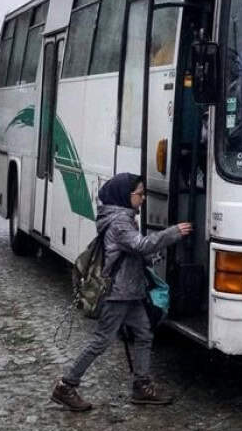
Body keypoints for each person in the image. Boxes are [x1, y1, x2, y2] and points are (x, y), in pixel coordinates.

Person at [51, 173, 192, 411]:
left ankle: (142, 386)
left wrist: (151, 256)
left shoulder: (124, 219)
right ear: (126, 196)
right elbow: (140, 245)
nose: (143, 198)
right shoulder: (119, 222)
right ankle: (66, 385)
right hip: (117, 293)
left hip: (130, 292)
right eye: (140, 193)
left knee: (144, 334)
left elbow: (135, 251)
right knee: (101, 341)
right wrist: (173, 233)